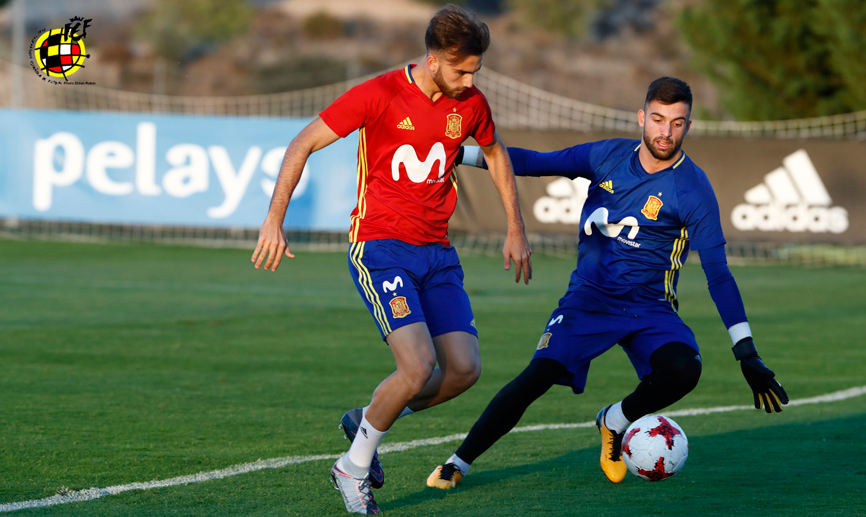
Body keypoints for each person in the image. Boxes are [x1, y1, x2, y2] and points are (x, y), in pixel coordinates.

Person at [426, 77, 789, 490]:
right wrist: (461, 154)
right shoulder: (608, 155)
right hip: (589, 299)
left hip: (649, 306)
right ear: (642, 118)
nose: (665, 132)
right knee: (537, 377)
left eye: (676, 122)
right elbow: (532, 162)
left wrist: (747, 351)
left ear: (688, 125)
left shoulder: (693, 189)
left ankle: (613, 422)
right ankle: (458, 462)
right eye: (657, 119)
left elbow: (718, 273)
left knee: (684, 369)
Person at [251, 4, 532, 514]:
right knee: (417, 365)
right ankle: (352, 468)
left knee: (463, 371)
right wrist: (274, 219)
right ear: (433, 59)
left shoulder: (470, 103)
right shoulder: (378, 94)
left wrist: (515, 227)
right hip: (381, 248)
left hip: (438, 254)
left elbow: (494, 153)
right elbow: (302, 143)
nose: (471, 80)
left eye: (476, 70)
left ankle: (367, 417)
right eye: (462, 70)